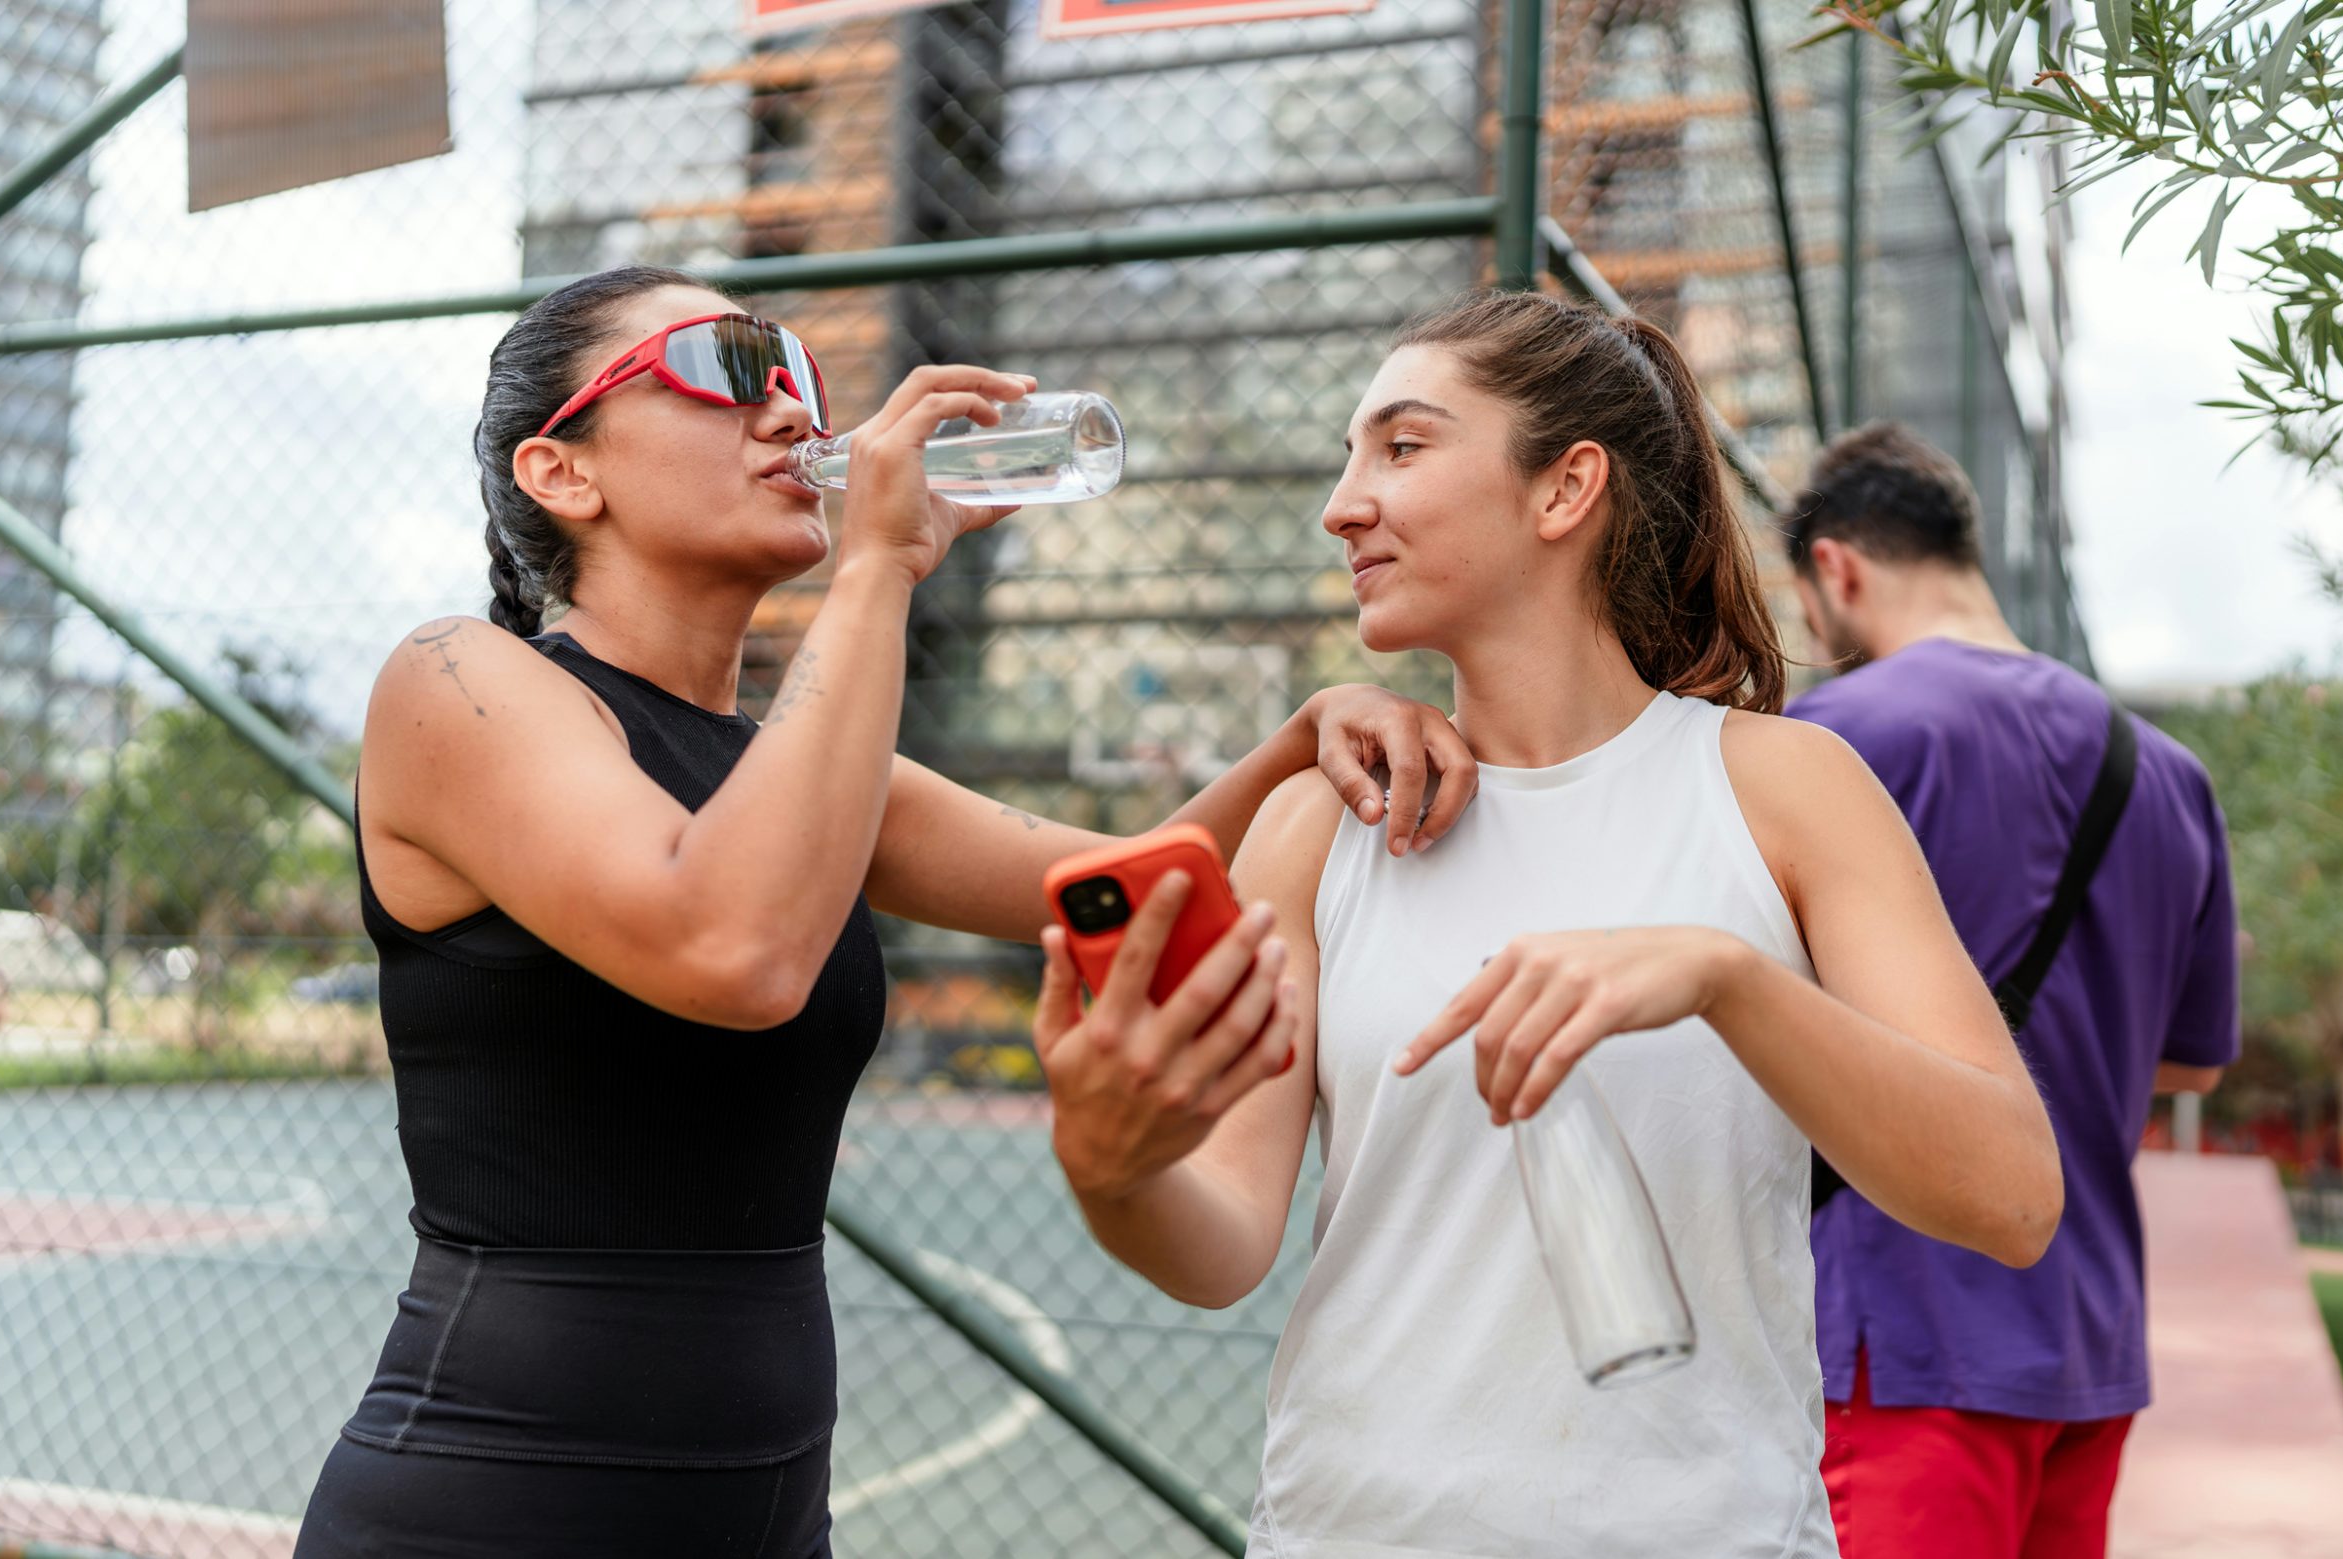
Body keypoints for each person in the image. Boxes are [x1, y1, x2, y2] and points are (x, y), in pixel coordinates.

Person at [289, 265, 1484, 1559]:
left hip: (766, 1519)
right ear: (563, 471)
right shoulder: (455, 681)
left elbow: (1142, 879)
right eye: (727, 365)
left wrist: (1304, 736)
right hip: (487, 1507)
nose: (792, 411)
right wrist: (877, 569)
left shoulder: (804, 774)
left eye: (800, 376)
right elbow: (733, 947)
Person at [1029, 291, 2065, 1558]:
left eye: (1401, 446)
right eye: (1351, 456)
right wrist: (1113, 1167)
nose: (1342, 504)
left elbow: (2011, 1196)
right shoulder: (1318, 824)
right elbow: (1222, 1243)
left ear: (1566, 487)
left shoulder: (1786, 790)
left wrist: (1726, 978)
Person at [1781, 422, 2239, 1559]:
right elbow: (2191, 1065)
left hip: (1901, 1334)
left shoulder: (1836, 739)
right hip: (2086, 1337)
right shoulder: (2169, 774)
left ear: (1836, 568)